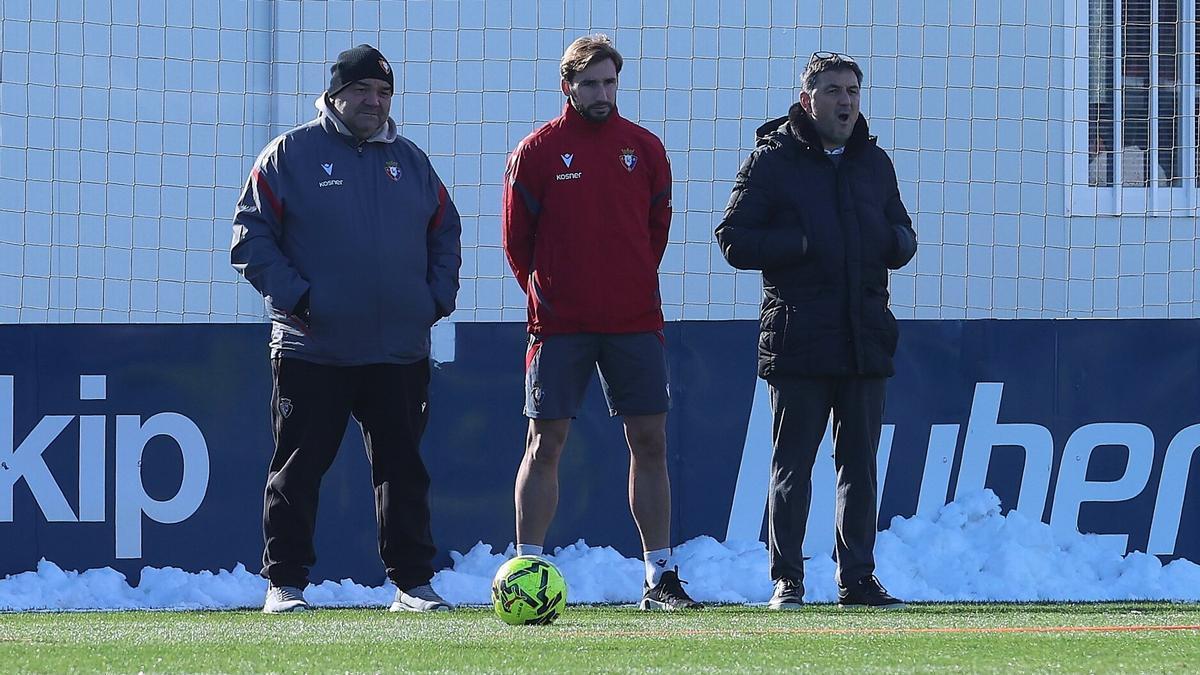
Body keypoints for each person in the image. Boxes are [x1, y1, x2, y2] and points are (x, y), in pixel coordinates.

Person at [231, 44, 462, 614]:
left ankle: (413, 585)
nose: (375, 102)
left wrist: (433, 299)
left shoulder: (410, 161)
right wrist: (302, 300)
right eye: (363, 91)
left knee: (403, 471)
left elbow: (445, 232)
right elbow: (250, 239)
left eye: (384, 93)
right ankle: (283, 585)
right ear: (335, 96)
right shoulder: (290, 155)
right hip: (314, 349)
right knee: (298, 469)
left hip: (398, 350)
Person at [501, 34, 701, 610]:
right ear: (568, 86)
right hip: (560, 327)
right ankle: (528, 569)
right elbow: (518, 243)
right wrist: (553, 297)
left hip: (634, 322)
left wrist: (627, 283)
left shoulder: (644, 148)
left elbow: (654, 231)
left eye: (609, 81)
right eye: (589, 83)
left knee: (650, 442)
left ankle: (660, 577)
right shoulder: (537, 152)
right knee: (546, 441)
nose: (601, 93)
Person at [715, 52, 917, 610]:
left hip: (864, 335)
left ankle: (856, 578)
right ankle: (789, 579)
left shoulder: (873, 163)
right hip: (799, 337)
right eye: (833, 91)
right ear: (808, 100)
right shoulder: (772, 160)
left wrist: (894, 244)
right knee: (793, 464)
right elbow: (733, 238)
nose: (846, 101)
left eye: (853, 90)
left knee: (859, 464)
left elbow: (903, 229)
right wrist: (799, 245)